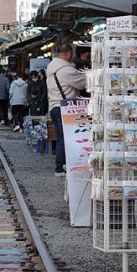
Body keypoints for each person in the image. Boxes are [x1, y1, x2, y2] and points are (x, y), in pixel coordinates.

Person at [46, 42, 87, 174]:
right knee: (65, 140)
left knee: (61, 139)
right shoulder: (66, 70)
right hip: (65, 107)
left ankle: (61, 166)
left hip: (54, 106)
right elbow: (83, 83)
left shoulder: (52, 68)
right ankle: (60, 168)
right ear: (69, 54)